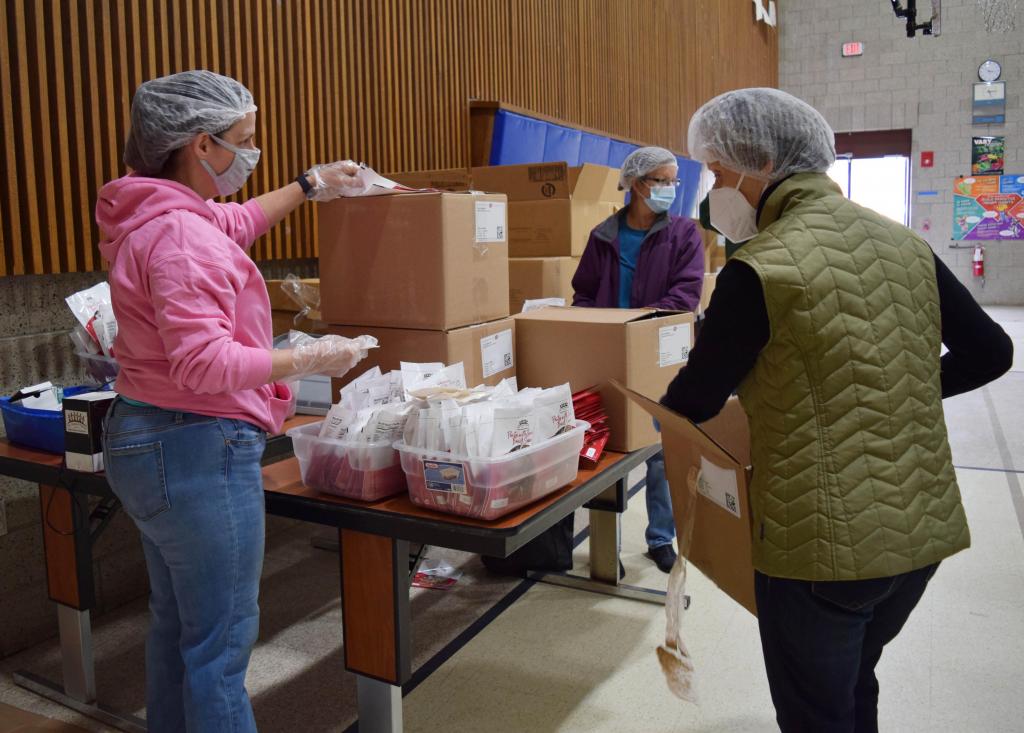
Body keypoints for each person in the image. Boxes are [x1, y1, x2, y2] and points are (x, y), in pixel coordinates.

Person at [661, 87, 1013, 732]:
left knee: (814, 712)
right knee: (854, 682)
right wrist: (890, 389)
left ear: (759, 161)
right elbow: (990, 352)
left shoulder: (759, 267)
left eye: (716, 170)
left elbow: (694, 399)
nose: (713, 188)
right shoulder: (905, 244)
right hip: (920, 533)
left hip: (820, 546)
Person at [96, 70, 372, 732]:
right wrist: (312, 354)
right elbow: (205, 363)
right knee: (219, 651)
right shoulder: (181, 238)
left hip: (144, 436)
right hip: (196, 446)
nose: (249, 155)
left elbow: (237, 221)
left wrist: (312, 184)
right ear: (201, 144)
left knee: (178, 626)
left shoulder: (154, 210)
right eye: (243, 142)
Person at [572, 146, 704, 573]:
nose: (669, 189)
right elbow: (584, 295)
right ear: (637, 184)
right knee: (605, 446)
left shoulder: (683, 235)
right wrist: (602, 331)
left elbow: (685, 297)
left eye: (673, 182)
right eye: (662, 181)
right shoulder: (603, 235)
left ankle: (661, 537)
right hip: (608, 355)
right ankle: (604, 544)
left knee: (662, 450)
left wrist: (637, 327)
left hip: (657, 355)